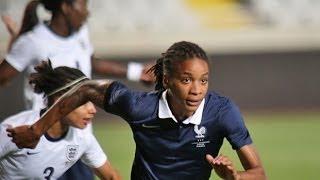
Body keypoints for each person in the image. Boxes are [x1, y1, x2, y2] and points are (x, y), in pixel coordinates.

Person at [7, 41, 267, 180]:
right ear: (167, 80)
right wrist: (37, 130)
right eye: (186, 80)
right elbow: (85, 89)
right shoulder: (137, 106)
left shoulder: (222, 111)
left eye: (204, 80)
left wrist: (234, 178)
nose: (197, 90)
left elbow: (259, 174)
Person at [0, 0, 154, 179]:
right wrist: (15, 43)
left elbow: (91, 62)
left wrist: (137, 72)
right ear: (65, 7)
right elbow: (3, 76)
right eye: (83, 6)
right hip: (41, 136)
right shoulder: (33, 41)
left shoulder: (81, 33)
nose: (87, 13)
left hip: (74, 135)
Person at [0, 60, 122, 180]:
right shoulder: (15, 130)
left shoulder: (83, 138)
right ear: (60, 100)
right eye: (83, 102)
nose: (92, 109)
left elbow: (112, 177)